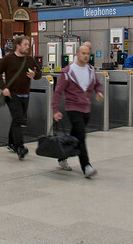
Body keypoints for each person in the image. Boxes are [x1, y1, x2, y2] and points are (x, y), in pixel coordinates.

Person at [51, 44, 104, 178]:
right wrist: (55, 110)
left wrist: (99, 92)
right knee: (81, 135)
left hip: (86, 108)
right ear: (77, 54)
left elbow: (97, 84)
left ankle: (62, 158)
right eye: (83, 53)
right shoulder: (68, 72)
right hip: (73, 108)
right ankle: (86, 166)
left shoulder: (91, 70)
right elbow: (58, 92)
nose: (86, 56)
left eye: (88, 53)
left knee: (75, 136)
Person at [0, 36, 41, 160]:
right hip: (12, 95)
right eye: (25, 44)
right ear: (18, 45)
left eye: (28, 44)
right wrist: (4, 87)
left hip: (25, 94)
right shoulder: (8, 59)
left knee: (17, 120)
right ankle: (19, 147)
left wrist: (34, 74)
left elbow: (39, 73)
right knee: (18, 119)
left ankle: (10, 142)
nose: (28, 47)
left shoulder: (30, 60)